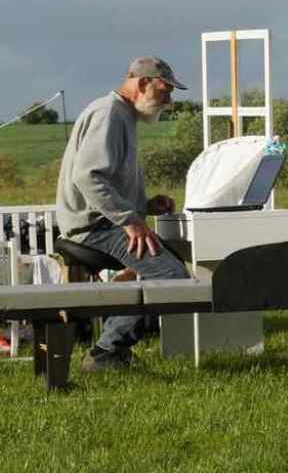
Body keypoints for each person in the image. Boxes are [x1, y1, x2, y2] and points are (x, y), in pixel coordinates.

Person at [56, 56, 192, 371]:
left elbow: (108, 179)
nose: (169, 100)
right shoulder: (110, 114)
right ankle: (106, 353)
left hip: (104, 222)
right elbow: (88, 177)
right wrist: (131, 221)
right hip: (94, 228)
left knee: (171, 266)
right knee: (171, 277)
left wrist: (144, 205)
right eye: (165, 90)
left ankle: (112, 348)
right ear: (143, 83)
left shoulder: (122, 114)